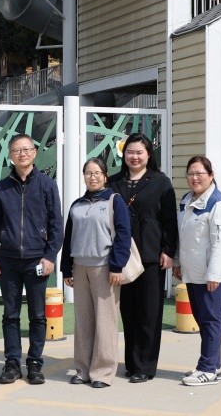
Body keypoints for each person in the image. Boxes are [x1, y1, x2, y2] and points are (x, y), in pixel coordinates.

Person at [0, 133, 64, 385]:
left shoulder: (47, 185)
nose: (21, 154)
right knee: (10, 314)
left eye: (26, 149)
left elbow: (56, 225)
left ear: (34, 152)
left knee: (38, 315)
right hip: (8, 260)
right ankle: (12, 363)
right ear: (10, 155)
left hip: (37, 261)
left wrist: (50, 256)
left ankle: (34, 363)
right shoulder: (2, 188)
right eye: (16, 150)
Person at [107, 133, 178, 383]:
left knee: (149, 313)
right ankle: (132, 363)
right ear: (124, 155)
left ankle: (145, 366)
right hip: (122, 256)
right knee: (128, 312)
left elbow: (169, 220)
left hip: (150, 256)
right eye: (130, 152)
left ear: (148, 154)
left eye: (139, 152)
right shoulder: (113, 182)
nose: (134, 157)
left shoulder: (160, 182)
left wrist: (168, 251)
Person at [62, 158, 132, 389]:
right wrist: (66, 269)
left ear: (105, 176)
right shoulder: (77, 205)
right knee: (83, 320)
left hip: (104, 267)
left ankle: (103, 372)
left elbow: (123, 234)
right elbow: (69, 238)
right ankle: (82, 369)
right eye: (88, 173)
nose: (92, 177)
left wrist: (117, 266)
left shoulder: (114, 201)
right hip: (79, 266)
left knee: (105, 321)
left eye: (97, 173)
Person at [173, 155, 221, 386]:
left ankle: (207, 369)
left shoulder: (219, 204)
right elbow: (182, 235)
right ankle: (214, 366)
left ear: (211, 175)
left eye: (200, 173)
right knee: (202, 319)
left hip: (211, 277)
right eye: (191, 173)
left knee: (211, 321)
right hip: (192, 273)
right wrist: (177, 262)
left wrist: (214, 274)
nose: (195, 178)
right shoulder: (187, 200)